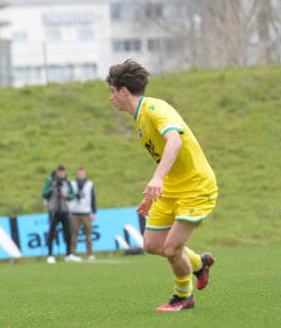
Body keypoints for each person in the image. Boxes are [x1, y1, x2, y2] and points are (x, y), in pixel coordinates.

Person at [107, 59, 217, 312]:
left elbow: (174, 142)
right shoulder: (140, 118)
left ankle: (184, 297)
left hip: (196, 187)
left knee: (171, 249)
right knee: (152, 245)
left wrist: (156, 179)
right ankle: (199, 264)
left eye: (113, 91)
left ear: (124, 91)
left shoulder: (155, 109)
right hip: (171, 188)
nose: (111, 98)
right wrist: (154, 191)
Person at [41, 165, 76, 263]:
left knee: (68, 233)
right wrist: (52, 187)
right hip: (53, 210)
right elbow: (44, 194)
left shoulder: (67, 181)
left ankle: (69, 254)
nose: (61, 174)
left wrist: (67, 195)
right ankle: (50, 255)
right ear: (57, 172)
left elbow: (72, 194)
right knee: (52, 233)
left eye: (63, 172)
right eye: (60, 172)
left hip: (65, 210)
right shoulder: (50, 181)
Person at [69, 166, 97, 260]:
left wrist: (94, 212)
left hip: (86, 212)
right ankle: (73, 253)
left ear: (85, 174)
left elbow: (93, 198)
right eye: (79, 174)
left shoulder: (89, 184)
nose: (81, 175)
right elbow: (69, 196)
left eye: (82, 173)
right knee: (74, 234)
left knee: (88, 234)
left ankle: (90, 253)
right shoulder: (72, 184)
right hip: (75, 213)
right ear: (77, 174)